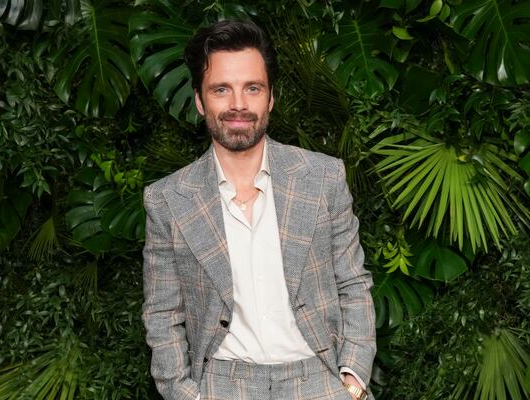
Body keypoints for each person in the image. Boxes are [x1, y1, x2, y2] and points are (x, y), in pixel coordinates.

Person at [142, 20, 376, 400]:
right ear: (200, 100)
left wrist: (352, 378)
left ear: (270, 97)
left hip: (320, 378)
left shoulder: (323, 177)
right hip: (221, 383)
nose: (238, 104)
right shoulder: (168, 200)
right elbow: (163, 314)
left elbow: (352, 282)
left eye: (252, 88)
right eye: (221, 89)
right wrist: (184, 393)